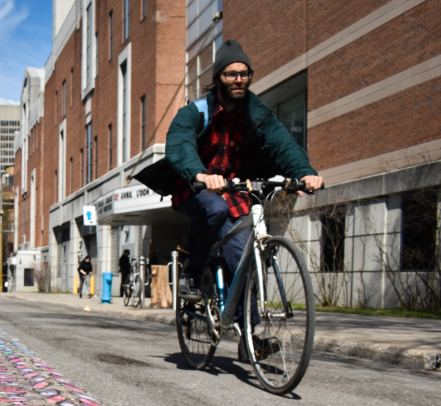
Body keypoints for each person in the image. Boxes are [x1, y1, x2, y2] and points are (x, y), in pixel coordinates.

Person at [135, 40, 322, 358]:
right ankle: (193, 275)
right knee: (214, 209)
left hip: (236, 192)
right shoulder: (197, 111)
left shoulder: (256, 112)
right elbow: (179, 143)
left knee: (244, 257)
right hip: (195, 190)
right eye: (231, 73)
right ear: (219, 77)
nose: (239, 79)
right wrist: (200, 174)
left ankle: (249, 338)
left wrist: (304, 172)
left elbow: (280, 143)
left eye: (245, 74)